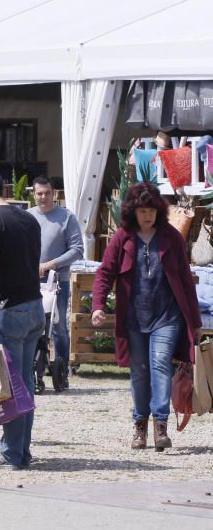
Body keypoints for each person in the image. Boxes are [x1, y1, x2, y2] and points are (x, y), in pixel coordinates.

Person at [92, 182, 201, 451]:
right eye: (142, 211)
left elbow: (186, 281)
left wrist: (195, 323)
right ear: (133, 212)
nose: (147, 215)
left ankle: (160, 426)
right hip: (134, 318)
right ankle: (140, 425)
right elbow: (105, 273)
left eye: (151, 210)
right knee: (139, 372)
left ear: (159, 211)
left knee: (161, 364)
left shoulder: (172, 238)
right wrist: (98, 305)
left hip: (167, 316)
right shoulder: (122, 237)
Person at [0, 170, 45, 470]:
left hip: (8, 308)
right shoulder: (29, 218)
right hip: (34, 305)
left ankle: (11, 453)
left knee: (11, 385)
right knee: (24, 382)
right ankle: (21, 450)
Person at [28, 176, 84, 391]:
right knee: (34, 326)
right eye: (39, 193)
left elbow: (77, 250)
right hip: (31, 282)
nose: (43, 197)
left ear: (54, 194)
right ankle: (34, 369)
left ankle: (61, 371)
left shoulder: (66, 217)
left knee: (58, 327)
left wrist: (51, 264)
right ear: (33, 194)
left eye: (47, 193)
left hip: (57, 282)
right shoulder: (28, 216)